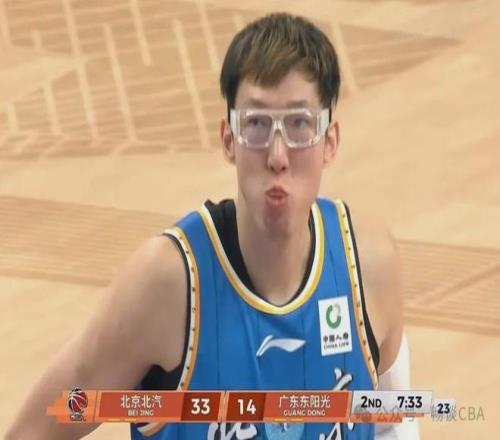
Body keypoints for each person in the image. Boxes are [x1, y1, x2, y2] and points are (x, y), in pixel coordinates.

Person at [6, 12, 418, 440]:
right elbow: (34, 431)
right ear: (228, 140)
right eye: (256, 125)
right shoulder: (167, 284)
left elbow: (393, 425)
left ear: (329, 143)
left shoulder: (366, 266)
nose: (277, 155)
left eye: (300, 125)